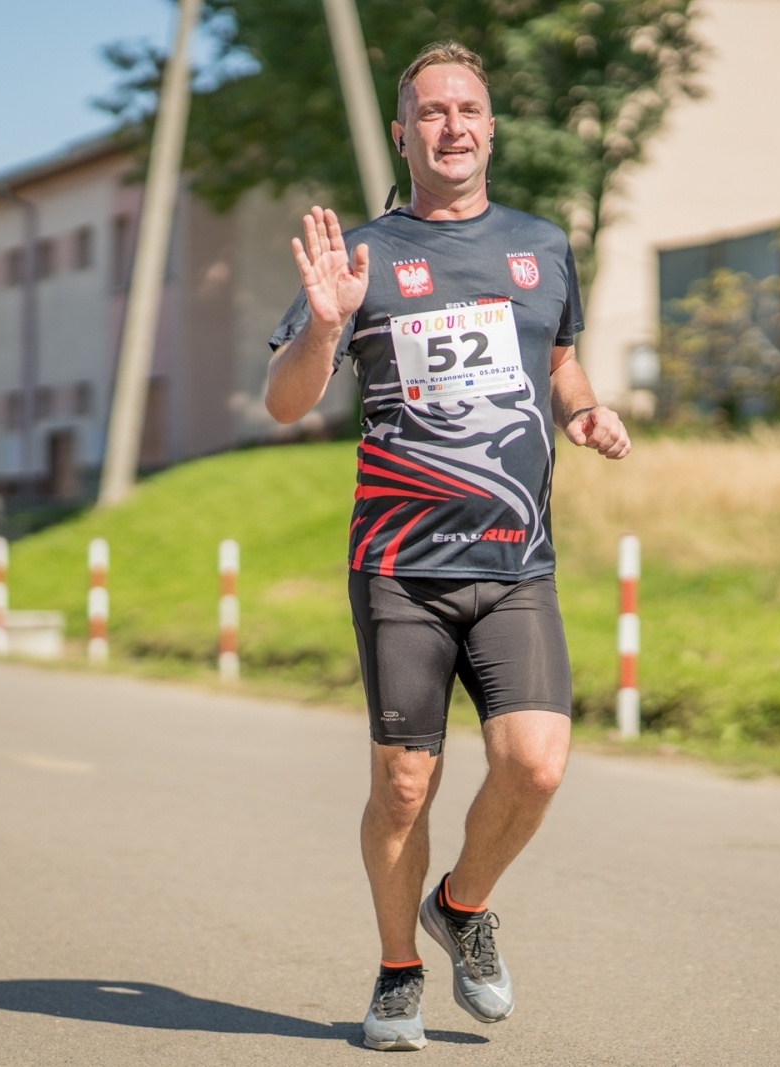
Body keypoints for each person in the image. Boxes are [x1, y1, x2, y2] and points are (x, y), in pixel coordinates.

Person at [264, 41, 630, 1052]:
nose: (452, 126)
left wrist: (588, 411)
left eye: (468, 109)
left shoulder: (543, 245)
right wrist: (323, 327)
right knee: (404, 782)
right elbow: (287, 402)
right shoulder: (363, 256)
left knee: (538, 764)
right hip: (400, 566)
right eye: (431, 112)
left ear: (491, 127)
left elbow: (557, 360)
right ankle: (395, 972)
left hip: (516, 559)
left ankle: (460, 904)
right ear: (402, 133)